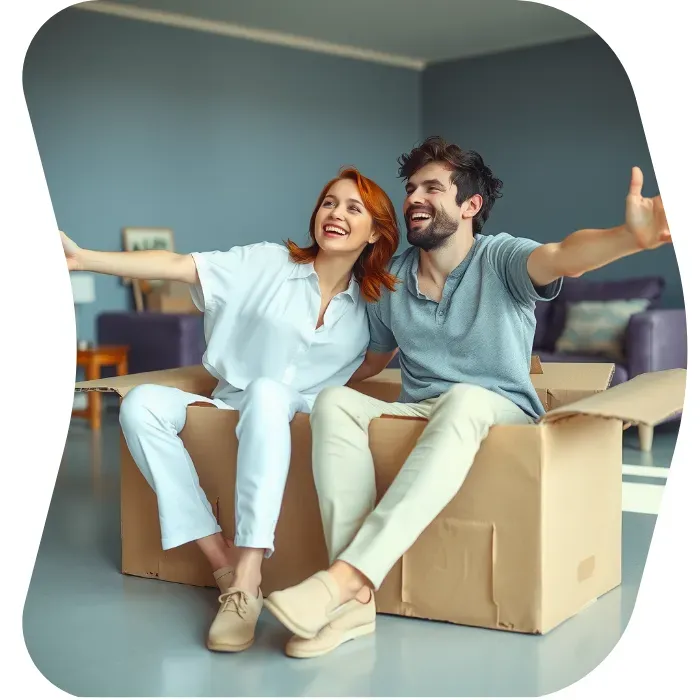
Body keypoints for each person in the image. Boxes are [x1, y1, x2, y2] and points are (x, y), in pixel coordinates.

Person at [264, 136, 673, 658]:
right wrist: (290, 387)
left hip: (499, 410)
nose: (414, 197)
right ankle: (356, 607)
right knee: (332, 404)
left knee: (465, 398)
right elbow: (369, 362)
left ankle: (344, 579)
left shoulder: (500, 258)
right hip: (423, 411)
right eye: (411, 188)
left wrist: (629, 238)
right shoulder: (392, 281)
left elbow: (565, 257)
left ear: (470, 206)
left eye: (432, 188)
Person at [61, 166, 400, 653]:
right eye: (329, 202)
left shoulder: (373, 305)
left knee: (268, 393)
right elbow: (177, 265)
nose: (336, 214)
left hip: (303, 413)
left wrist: (328, 387)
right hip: (231, 401)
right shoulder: (266, 263)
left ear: (375, 233)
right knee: (141, 405)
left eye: (353, 208)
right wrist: (84, 258)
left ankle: (248, 573)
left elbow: (371, 364)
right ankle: (225, 564)